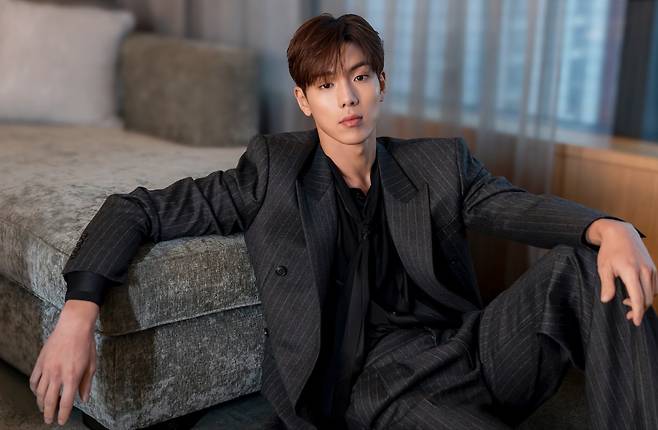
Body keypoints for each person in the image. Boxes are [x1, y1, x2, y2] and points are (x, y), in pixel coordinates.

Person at [30, 13, 657, 429]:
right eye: (327, 85)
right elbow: (137, 209)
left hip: (468, 350)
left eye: (359, 77)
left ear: (381, 83)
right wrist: (77, 316)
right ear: (304, 101)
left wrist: (610, 227)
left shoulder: (439, 163)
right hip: (377, 386)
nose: (348, 98)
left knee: (587, 263)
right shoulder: (273, 172)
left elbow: (512, 204)